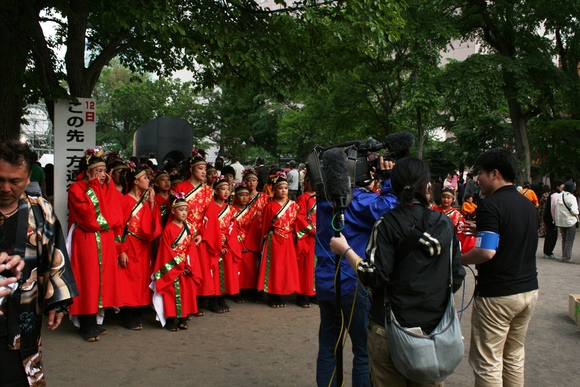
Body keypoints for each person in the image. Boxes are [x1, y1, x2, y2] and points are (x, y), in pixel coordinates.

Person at [329, 157, 465, 386]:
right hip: (434, 332)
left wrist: (346, 251)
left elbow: (373, 276)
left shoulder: (387, 223)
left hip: (390, 330)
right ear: (426, 186)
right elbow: (457, 275)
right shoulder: (445, 223)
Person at [0, 140, 78, 386]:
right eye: (0, 179)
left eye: (15, 181)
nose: (5, 188)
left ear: (28, 177)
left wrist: (58, 301)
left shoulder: (40, 210)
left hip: (23, 312)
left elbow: (56, 254)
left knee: (18, 376)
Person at [315, 157, 398, 387]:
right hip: (353, 283)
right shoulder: (358, 200)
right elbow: (390, 207)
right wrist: (388, 178)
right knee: (363, 351)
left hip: (326, 284)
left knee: (328, 349)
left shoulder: (323, 199)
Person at [461, 149, 539, 386]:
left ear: (495, 173)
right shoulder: (528, 204)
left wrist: (459, 258)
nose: (478, 180)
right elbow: (510, 234)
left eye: (481, 174)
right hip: (528, 291)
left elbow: (486, 252)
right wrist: (483, 230)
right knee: (514, 356)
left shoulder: (490, 205)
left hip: (498, 296)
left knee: (488, 362)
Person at [68, 148, 124, 342]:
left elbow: (116, 216)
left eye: (103, 171)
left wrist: (103, 188)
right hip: (87, 240)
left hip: (104, 241)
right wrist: (94, 186)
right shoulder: (77, 189)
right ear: (88, 171)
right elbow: (90, 219)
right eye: (98, 171)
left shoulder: (104, 187)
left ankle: (94, 322)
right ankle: (85, 324)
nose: (102, 175)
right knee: (87, 280)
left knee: (101, 280)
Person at [118, 165, 161, 330]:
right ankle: (127, 315)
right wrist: (121, 250)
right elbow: (119, 228)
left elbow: (152, 226)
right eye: (145, 178)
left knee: (142, 279)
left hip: (143, 245)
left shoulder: (147, 199)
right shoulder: (124, 201)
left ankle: (136, 311)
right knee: (128, 280)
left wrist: (151, 203)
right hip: (129, 243)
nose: (148, 181)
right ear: (136, 181)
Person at [152, 194, 202, 331]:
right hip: (174, 267)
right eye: (181, 209)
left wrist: (188, 266)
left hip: (186, 266)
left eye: (186, 209)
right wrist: (179, 266)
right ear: (173, 211)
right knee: (172, 293)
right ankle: (170, 319)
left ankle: (183, 317)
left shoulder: (189, 228)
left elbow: (191, 248)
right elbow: (166, 250)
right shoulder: (168, 229)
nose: (184, 212)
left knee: (186, 291)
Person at [257, 173, 300, 308]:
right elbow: (264, 225)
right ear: (274, 190)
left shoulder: (293, 205)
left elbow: (298, 224)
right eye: (280, 188)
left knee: (286, 268)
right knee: (274, 268)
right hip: (274, 240)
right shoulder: (270, 206)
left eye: (286, 188)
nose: (283, 191)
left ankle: (282, 293)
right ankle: (272, 295)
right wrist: (264, 239)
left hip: (288, 241)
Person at [203, 178, 242, 313]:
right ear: (215, 191)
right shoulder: (210, 206)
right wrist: (217, 241)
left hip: (226, 244)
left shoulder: (230, 209)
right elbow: (207, 226)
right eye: (222, 189)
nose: (226, 192)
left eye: (227, 189)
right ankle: (213, 299)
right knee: (213, 271)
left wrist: (227, 243)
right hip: (213, 243)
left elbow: (232, 227)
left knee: (224, 271)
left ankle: (221, 297)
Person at [294, 176, 316, 308]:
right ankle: (301, 295)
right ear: (306, 182)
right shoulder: (302, 198)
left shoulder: (322, 197)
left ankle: (315, 293)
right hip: (308, 237)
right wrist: (312, 230)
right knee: (305, 266)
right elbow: (300, 217)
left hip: (320, 238)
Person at [552, 180, 578, 263]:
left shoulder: (559, 196)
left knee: (564, 239)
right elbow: (574, 210)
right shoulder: (571, 197)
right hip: (570, 221)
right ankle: (567, 257)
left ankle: (564, 255)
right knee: (569, 240)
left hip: (561, 221)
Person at [543, 179, 564, 258]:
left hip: (549, 217)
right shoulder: (555, 194)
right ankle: (548, 252)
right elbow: (553, 208)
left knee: (550, 235)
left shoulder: (554, 193)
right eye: (562, 186)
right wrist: (555, 219)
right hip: (550, 218)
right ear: (557, 186)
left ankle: (547, 252)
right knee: (552, 236)